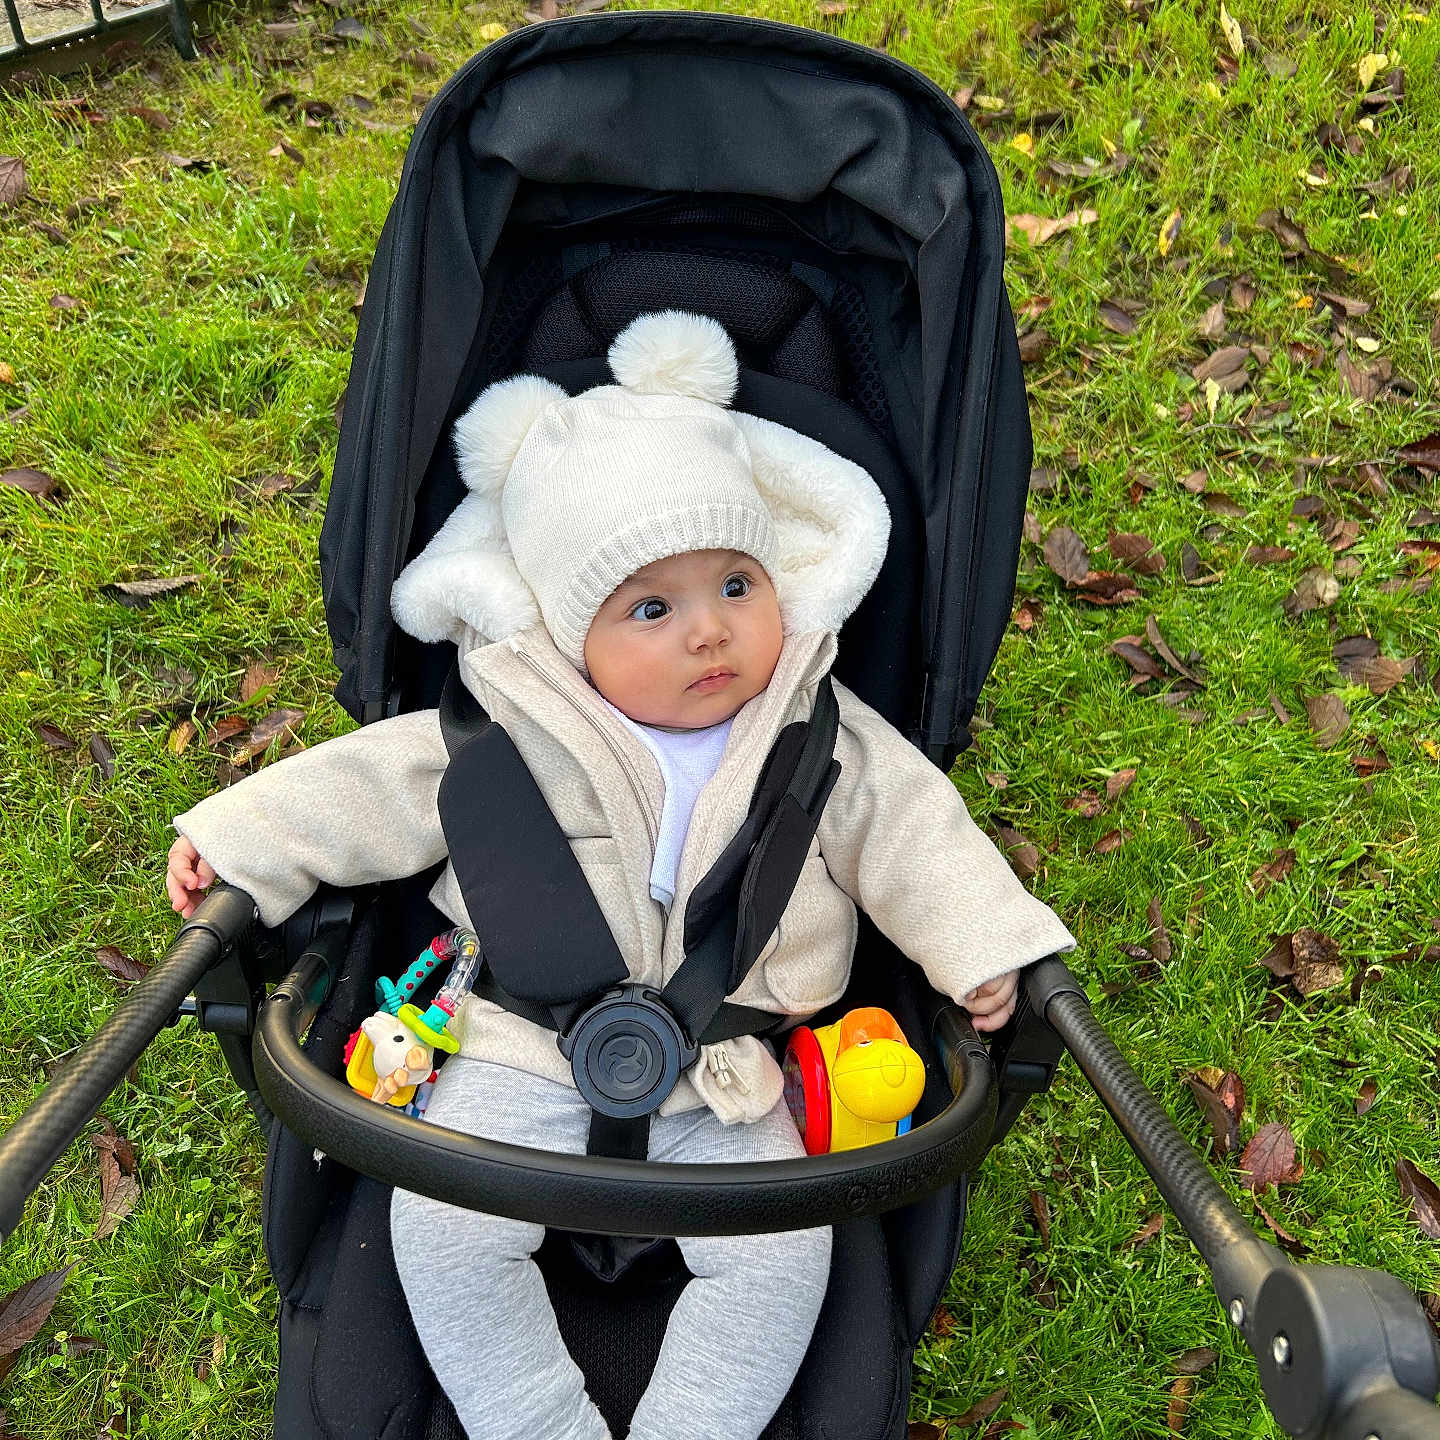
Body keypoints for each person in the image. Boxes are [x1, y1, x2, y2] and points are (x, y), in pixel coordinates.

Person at [165, 310, 1075, 1440]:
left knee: (784, 1262)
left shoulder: (819, 729)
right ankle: (533, 1422)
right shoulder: (508, 720)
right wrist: (243, 842)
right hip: (516, 1046)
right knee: (440, 1232)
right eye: (653, 608)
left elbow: (916, 836)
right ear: (565, 627)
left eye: (736, 584)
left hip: (734, 1071)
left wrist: (985, 944)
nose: (710, 634)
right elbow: (365, 787)